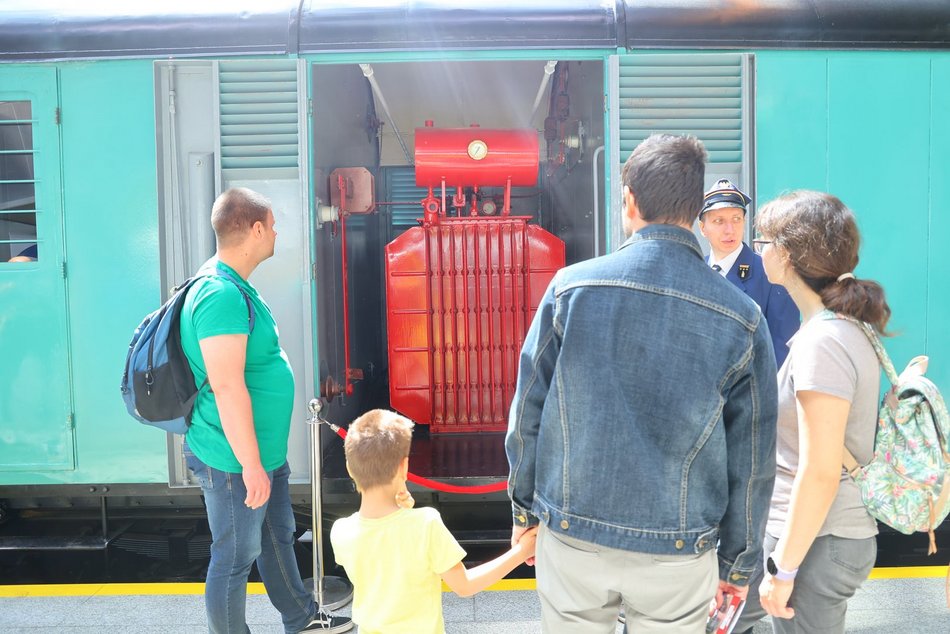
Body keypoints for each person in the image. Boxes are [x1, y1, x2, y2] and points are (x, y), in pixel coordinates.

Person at [506, 133, 778, 633]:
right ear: (696, 210)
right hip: (678, 552)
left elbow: (528, 413)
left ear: (629, 201)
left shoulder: (570, 289)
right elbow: (753, 456)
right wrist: (738, 564)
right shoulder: (742, 317)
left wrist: (525, 513)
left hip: (573, 536)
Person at [180, 187, 350, 633]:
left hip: (260, 451)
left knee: (277, 537)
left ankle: (301, 618)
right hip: (233, 456)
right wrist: (251, 464)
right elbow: (226, 384)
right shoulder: (219, 294)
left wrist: (262, 459)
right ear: (255, 229)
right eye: (272, 225)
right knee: (234, 558)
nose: (276, 232)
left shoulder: (236, 286)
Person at [732, 191, 887, 634]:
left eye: (763, 242)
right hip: (808, 534)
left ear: (786, 255)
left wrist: (784, 569)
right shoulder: (835, 329)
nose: (758, 250)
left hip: (817, 540)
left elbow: (820, 470)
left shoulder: (823, 342)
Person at [330, 409, 537, 633]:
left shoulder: (341, 531)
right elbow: (464, 586)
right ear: (404, 467)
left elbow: (384, 551)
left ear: (350, 469)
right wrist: (521, 552)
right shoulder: (425, 524)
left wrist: (402, 505)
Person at [699, 179, 799, 368]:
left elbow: (782, 347)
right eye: (719, 221)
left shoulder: (770, 272)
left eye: (736, 219)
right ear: (703, 228)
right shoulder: (696, 270)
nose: (730, 230)